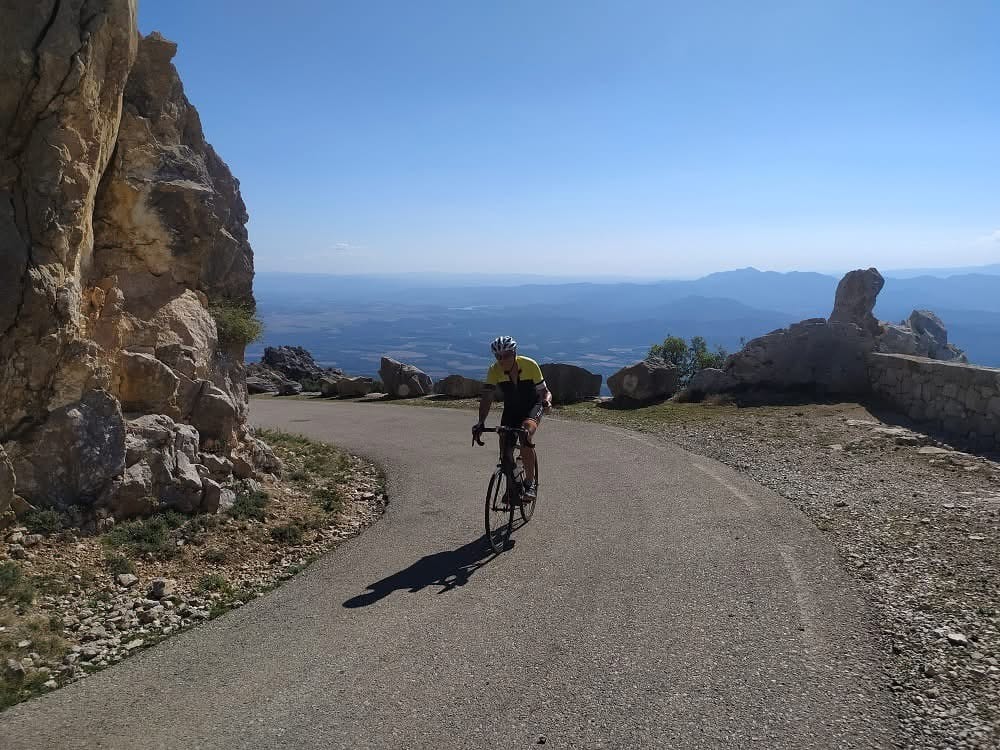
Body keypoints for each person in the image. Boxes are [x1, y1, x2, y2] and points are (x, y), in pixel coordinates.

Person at [473, 336, 552, 501]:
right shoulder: (494, 370)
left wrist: (546, 402)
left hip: (533, 406)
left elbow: (545, 392)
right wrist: (481, 422)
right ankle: (512, 488)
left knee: (525, 435)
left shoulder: (529, 365)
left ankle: (530, 483)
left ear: (514, 353)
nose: (502, 360)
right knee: (505, 449)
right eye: (498, 356)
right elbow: (487, 397)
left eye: (506, 355)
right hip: (511, 410)